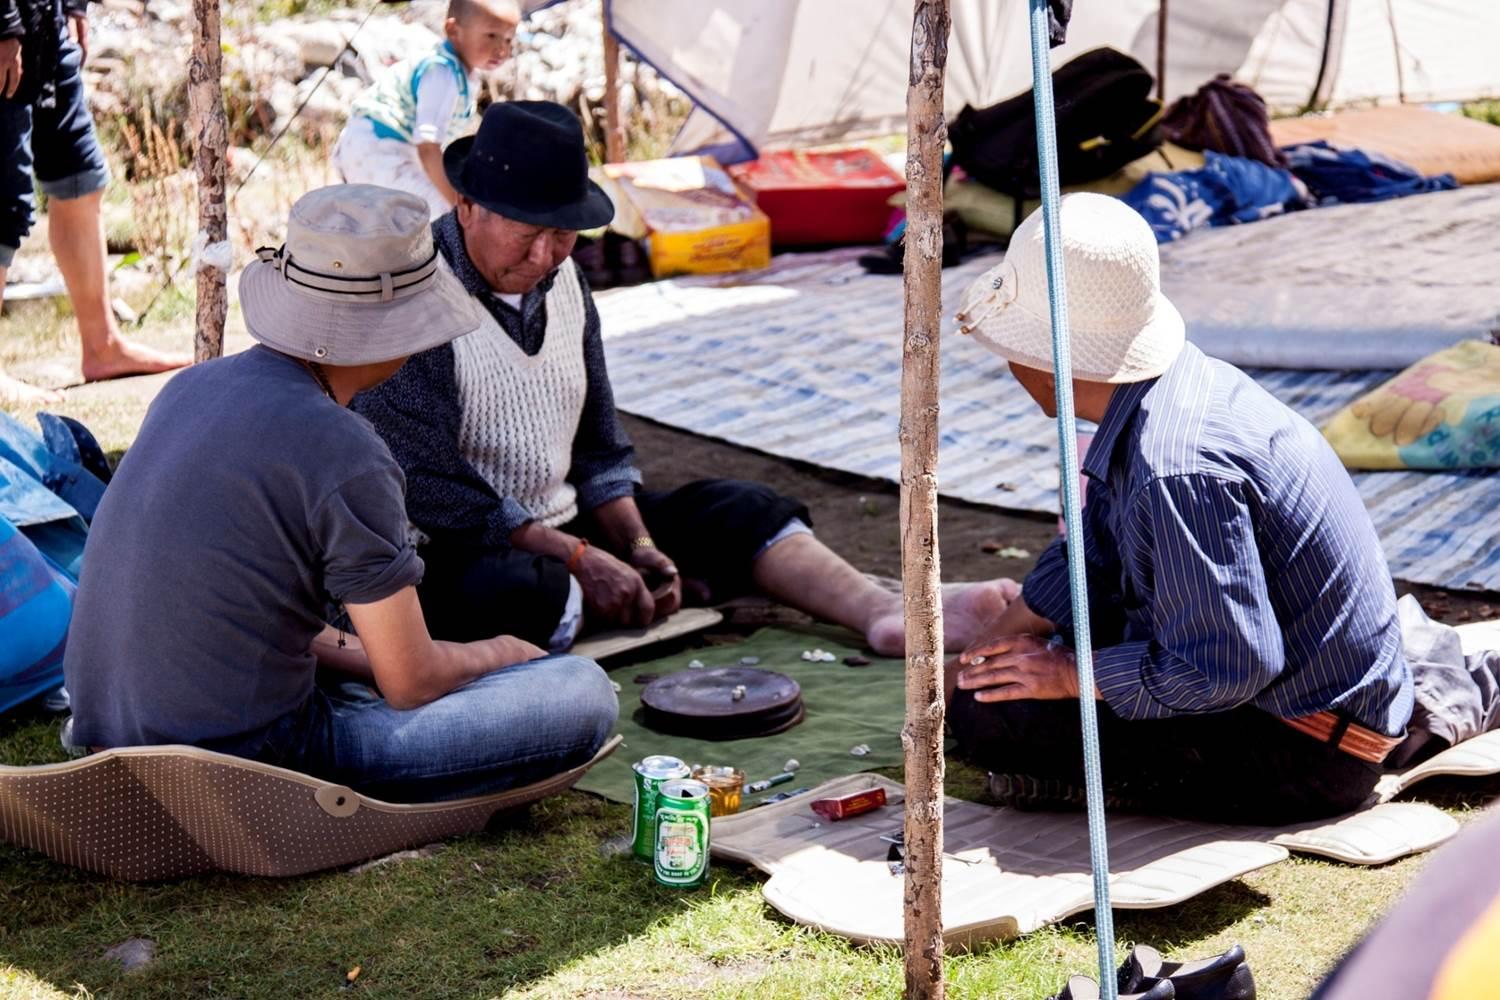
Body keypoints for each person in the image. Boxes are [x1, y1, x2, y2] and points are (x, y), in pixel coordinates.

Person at [352, 101, 1020, 656]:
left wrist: (636, 543)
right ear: (467, 206)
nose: (546, 255)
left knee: (739, 509)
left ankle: (877, 609)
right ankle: (633, 596)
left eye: (563, 236)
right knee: (518, 594)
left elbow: (599, 445)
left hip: (568, 525)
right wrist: (582, 558)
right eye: (528, 235)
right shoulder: (417, 301)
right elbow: (434, 492)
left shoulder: (566, 281)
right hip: (456, 549)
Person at [63, 185, 617, 803]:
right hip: (248, 757)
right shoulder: (346, 446)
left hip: (110, 733)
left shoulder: (190, 387)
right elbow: (410, 682)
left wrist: (393, 658)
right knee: (580, 692)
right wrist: (500, 653)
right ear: (400, 333)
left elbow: (260, 611)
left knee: (384, 661)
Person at [946, 193, 1413, 824]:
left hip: (1304, 748)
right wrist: (1004, 636)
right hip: (1305, 703)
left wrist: (1068, 675)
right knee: (1003, 678)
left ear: (1049, 361)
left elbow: (1228, 666)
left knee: (1001, 716)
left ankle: (1136, 789)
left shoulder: (1175, 468)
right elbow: (1098, 549)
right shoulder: (1167, 392)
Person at [0, 0, 187, 407]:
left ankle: (102, 346)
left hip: (46, 21)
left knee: (80, 177)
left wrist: (74, 6)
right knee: (4, 203)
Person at [332, 0, 517, 220]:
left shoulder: (461, 72)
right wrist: (456, 203)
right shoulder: (443, 72)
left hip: (371, 147)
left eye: (508, 39)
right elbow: (428, 147)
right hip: (381, 150)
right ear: (453, 30)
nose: (502, 49)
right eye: (491, 35)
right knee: (440, 214)